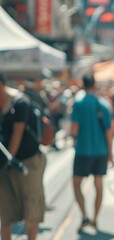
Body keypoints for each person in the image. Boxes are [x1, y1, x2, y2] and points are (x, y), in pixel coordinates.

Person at [0, 74, 46, 240]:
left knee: (31, 206)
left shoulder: (20, 102)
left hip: (27, 162)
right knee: (5, 210)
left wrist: (9, 159)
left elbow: (17, 134)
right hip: (4, 165)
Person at [71, 74, 113, 230]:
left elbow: (74, 129)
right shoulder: (103, 104)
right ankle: (95, 219)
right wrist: (111, 153)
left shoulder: (78, 102)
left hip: (83, 149)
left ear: (83, 84)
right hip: (101, 150)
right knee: (99, 184)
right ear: (94, 85)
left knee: (76, 183)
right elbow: (109, 132)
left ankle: (84, 216)